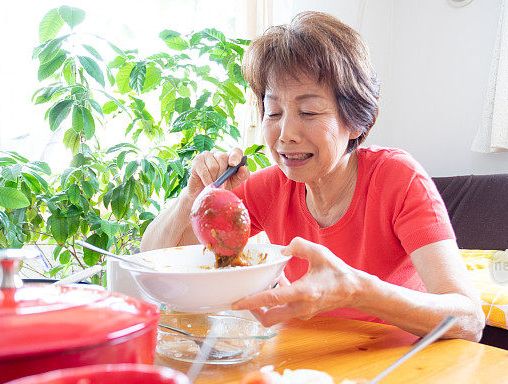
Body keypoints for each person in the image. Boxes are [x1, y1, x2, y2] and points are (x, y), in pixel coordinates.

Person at [141, 11, 484, 341]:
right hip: (308, 359)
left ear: (355, 121)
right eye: (273, 112)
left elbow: (469, 320)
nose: (286, 132)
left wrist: (356, 291)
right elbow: (152, 256)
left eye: (308, 111)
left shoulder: (399, 179)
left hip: (400, 364)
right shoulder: (271, 187)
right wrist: (193, 197)